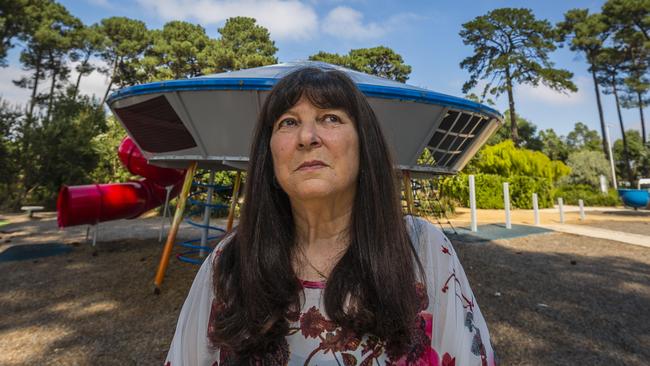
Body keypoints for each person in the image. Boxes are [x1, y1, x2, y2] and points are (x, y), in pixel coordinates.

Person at [165, 66, 496, 365]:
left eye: (330, 118)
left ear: (364, 143)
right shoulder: (230, 260)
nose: (307, 137)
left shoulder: (422, 249)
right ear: (270, 153)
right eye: (289, 122)